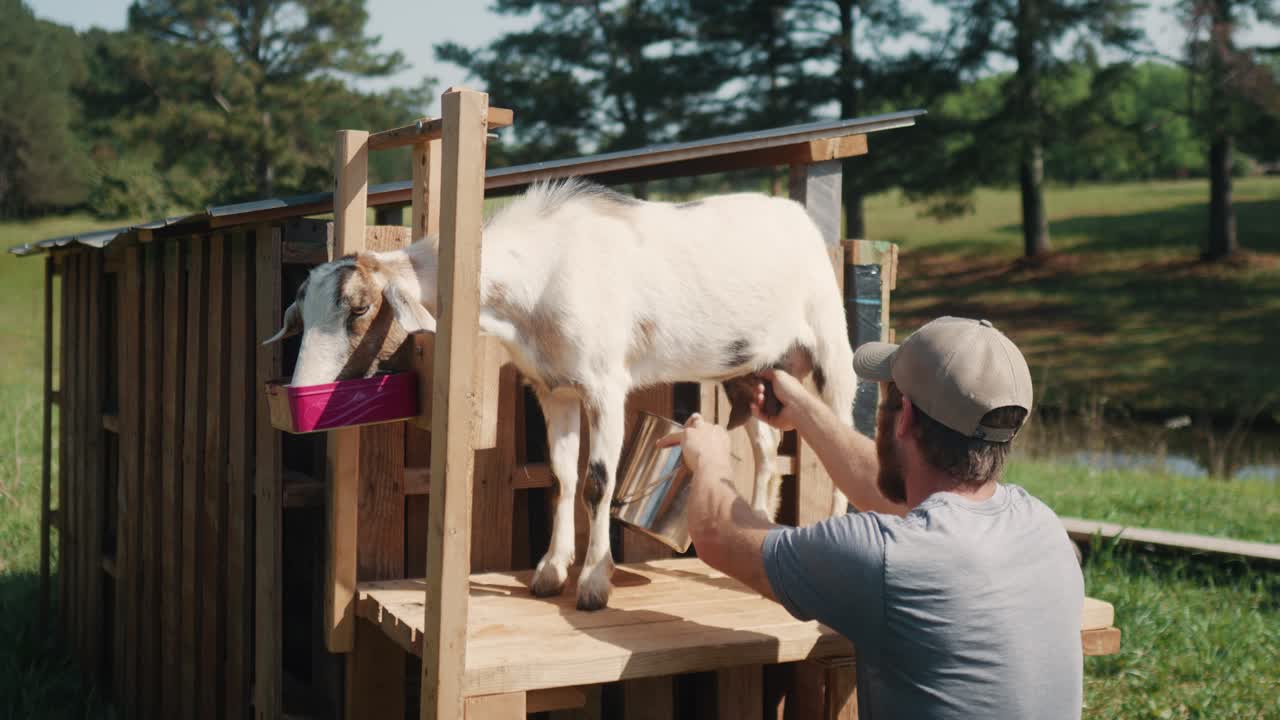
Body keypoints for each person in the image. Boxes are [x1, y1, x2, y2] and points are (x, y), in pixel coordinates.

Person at [658, 316, 1085, 719]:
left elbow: (719, 534)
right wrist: (803, 409)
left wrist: (710, 457)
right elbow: (905, 506)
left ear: (907, 417)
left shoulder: (886, 559)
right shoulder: (1045, 530)